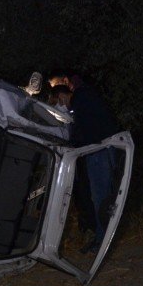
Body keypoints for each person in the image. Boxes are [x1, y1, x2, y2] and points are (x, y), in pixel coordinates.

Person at [47, 73, 122, 254]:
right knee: (101, 196)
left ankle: (102, 241)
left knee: (100, 197)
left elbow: (83, 132)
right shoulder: (84, 97)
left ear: (63, 95)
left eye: (57, 101)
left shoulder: (81, 99)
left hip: (99, 151)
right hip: (101, 150)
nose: (59, 106)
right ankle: (102, 238)